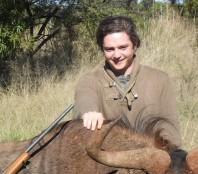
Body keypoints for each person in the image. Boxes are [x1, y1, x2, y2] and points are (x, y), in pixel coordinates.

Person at [74, 16, 182, 147]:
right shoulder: (89, 80)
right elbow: (84, 102)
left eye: (123, 47)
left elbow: (171, 132)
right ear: (101, 49)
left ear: (135, 45)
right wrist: (89, 114)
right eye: (109, 49)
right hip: (108, 160)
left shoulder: (160, 79)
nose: (117, 55)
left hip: (152, 160)